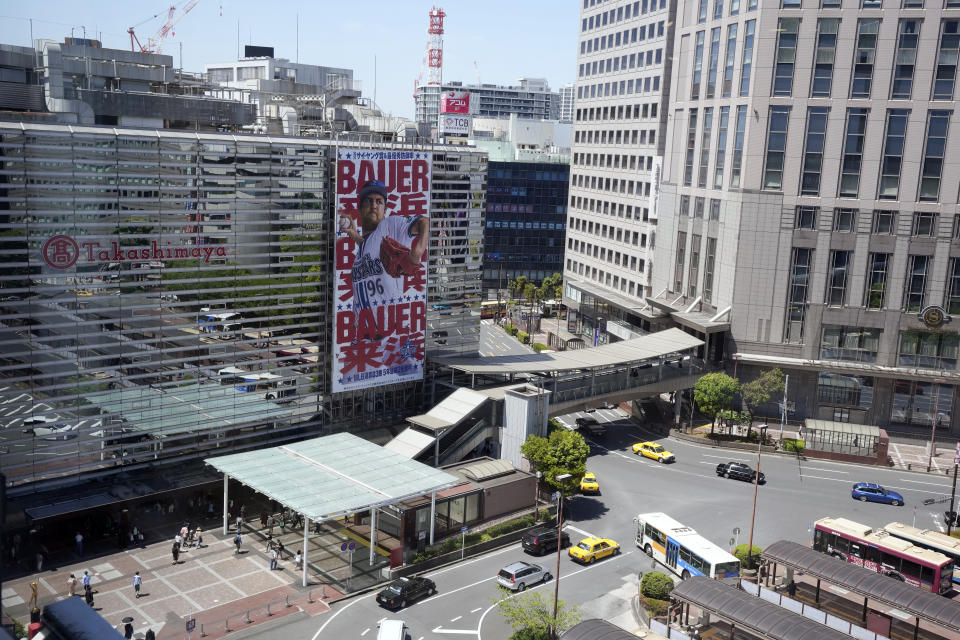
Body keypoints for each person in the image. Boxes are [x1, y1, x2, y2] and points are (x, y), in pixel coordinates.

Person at [339, 179, 429, 311]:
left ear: (385, 209)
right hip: (363, 328)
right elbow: (371, 248)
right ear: (360, 208)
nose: (374, 205)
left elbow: (424, 222)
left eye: (379, 201)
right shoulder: (362, 249)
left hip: (390, 327)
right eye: (368, 200)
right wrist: (355, 236)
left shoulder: (390, 224)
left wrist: (417, 252)